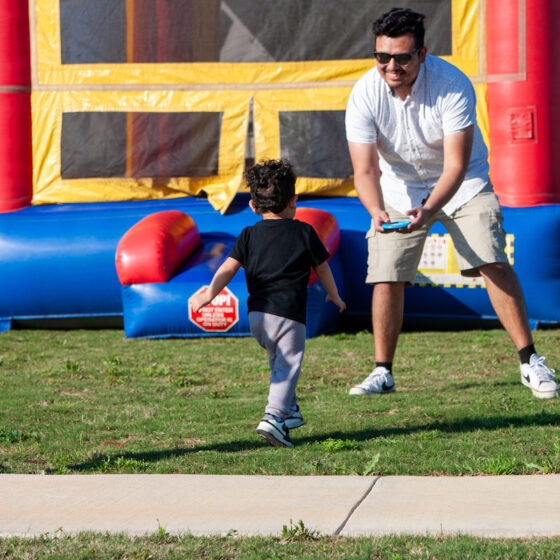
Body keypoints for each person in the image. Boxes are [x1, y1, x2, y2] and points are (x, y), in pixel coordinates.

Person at [345, 7, 557, 399]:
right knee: (385, 274)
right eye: (382, 57)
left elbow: (456, 165)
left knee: (491, 261)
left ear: (422, 54)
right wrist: (375, 209)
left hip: (462, 185)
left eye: (402, 57)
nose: (391, 66)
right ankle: (382, 372)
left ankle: (530, 361)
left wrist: (428, 209)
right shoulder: (363, 92)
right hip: (397, 190)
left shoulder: (452, 83)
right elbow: (364, 169)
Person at [190, 159, 346, 447]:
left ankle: (289, 412)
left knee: (279, 364)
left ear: (252, 205)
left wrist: (210, 294)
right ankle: (273, 417)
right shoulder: (304, 232)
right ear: (293, 201)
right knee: (288, 367)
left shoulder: (248, 235)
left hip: (257, 318)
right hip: (288, 315)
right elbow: (322, 267)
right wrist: (334, 295)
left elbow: (226, 268)